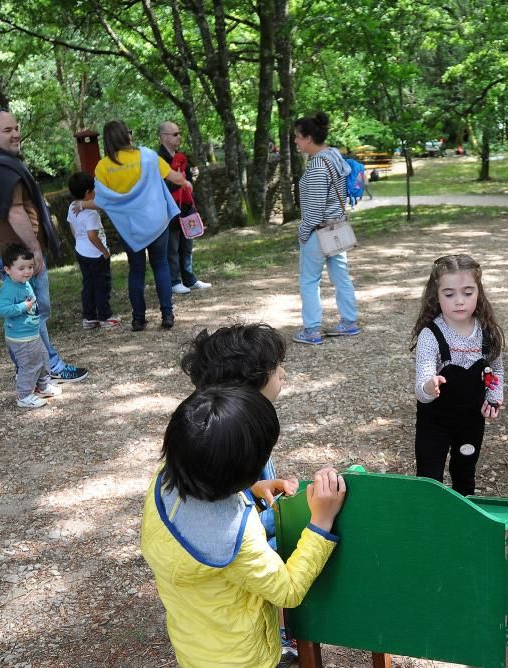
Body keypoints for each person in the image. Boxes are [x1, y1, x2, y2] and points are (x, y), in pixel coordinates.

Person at [140, 385, 346, 668]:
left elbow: (205, 483)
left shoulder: (163, 483)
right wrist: (321, 521)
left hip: (193, 647)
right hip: (243, 659)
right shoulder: (235, 539)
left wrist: (249, 488)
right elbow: (287, 590)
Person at [179, 321, 297, 659]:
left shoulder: (229, 423)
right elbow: (217, 497)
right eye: (275, 370)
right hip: (245, 546)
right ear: (250, 388)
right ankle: (282, 638)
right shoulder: (230, 438)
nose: (283, 374)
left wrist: (255, 487)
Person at [0, 108, 87, 383]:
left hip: (11, 250)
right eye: (7, 130)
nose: (16, 134)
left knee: (29, 313)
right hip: (18, 254)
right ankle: (45, 367)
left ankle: (33, 369)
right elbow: (15, 212)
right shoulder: (1, 169)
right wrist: (35, 250)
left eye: (16, 128)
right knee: (32, 313)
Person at [410, 254, 504, 496]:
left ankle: (463, 523)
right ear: (437, 295)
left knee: (465, 473)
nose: (459, 301)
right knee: (429, 479)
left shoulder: (487, 333)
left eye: (468, 292)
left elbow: (496, 370)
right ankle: (430, 522)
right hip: (435, 423)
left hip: (471, 421)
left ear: (478, 293)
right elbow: (422, 387)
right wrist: (430, 387)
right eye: (449, 294)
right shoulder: (430, 336)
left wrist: (493, 397)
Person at [90, 120, 185, 332]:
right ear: (126, 135)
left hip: (129, 227)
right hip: (156, 222)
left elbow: (101, 200)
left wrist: (81, 204)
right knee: (160, 265)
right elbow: (174, 178)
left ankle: (138, 319)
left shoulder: (103, 166)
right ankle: (167, 314)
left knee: (136, 271)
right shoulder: (148, 156)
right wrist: (186, 181)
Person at [292, 112, 360, 345]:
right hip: (337, 229)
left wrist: (303, 232)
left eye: (298, 137)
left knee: (309, 281)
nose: (296, 142)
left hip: (319, 231)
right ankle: (349, 322)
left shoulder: (319, 165)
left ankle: (311, 330)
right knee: (341, 276)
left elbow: (316, 207)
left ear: (309, 138)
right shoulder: (334, 156)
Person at [0, 244, 63, 409]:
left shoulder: (23, 282)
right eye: (21, 268)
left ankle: (44, 386)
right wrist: (23, 307)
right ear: (8, 269)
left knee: (43, 358)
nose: (27, 271)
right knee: (29, 365)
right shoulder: (10, 288)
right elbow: (0, 309)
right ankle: (24, 396)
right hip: (20, 337)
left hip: (31, 333)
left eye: (30, 267)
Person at [157, 121, 212, 296]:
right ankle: (174, 281)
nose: (179, 136)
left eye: (179, 133)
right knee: (172, 247)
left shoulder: (182, 157)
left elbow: (187, 180)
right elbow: (162, 186)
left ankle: (189, 279)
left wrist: (186, 185)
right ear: (164, 136)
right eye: (175, 134)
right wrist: (178, 182)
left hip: (186, 206)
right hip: (169, 209)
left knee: (187, 244)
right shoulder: (157, 160)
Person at [66, 173, 119, 330]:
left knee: (88, 284)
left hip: (81, 251)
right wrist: (104, 251)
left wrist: (78, 240)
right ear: (88, 192)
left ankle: (89, 317)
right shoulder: (91, 213)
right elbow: (92, 235)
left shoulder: (72, 206)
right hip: (96, 254)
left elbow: (71, 225)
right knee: (101, 285)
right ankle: (105, 316)